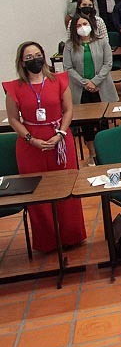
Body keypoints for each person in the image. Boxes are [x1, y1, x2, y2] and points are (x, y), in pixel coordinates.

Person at [3, 42, 87, 251]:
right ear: (22, 62)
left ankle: (72, 235)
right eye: (29, 57)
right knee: (38, 194)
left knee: (66, 188)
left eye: (38, 55)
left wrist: (60, 134)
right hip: (31, 145)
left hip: (60, 140)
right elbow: (13, 119)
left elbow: (68, 110)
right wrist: (30, 139)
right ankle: (47, 241)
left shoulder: (59, 80)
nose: (35, 60)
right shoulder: (14, 88)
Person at [63, 15, 119, 148]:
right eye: (78, 25)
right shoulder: (69, 45)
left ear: (91, 25)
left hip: (101, 87)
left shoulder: (102, 41)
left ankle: (106, 150)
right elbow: (68, 68)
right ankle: (92, 153)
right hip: (81, 89)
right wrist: (85, 83)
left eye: (85, 24)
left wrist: (94, 82)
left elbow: (108, 64)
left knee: (103, 121)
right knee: (86, 124)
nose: (82, 27)